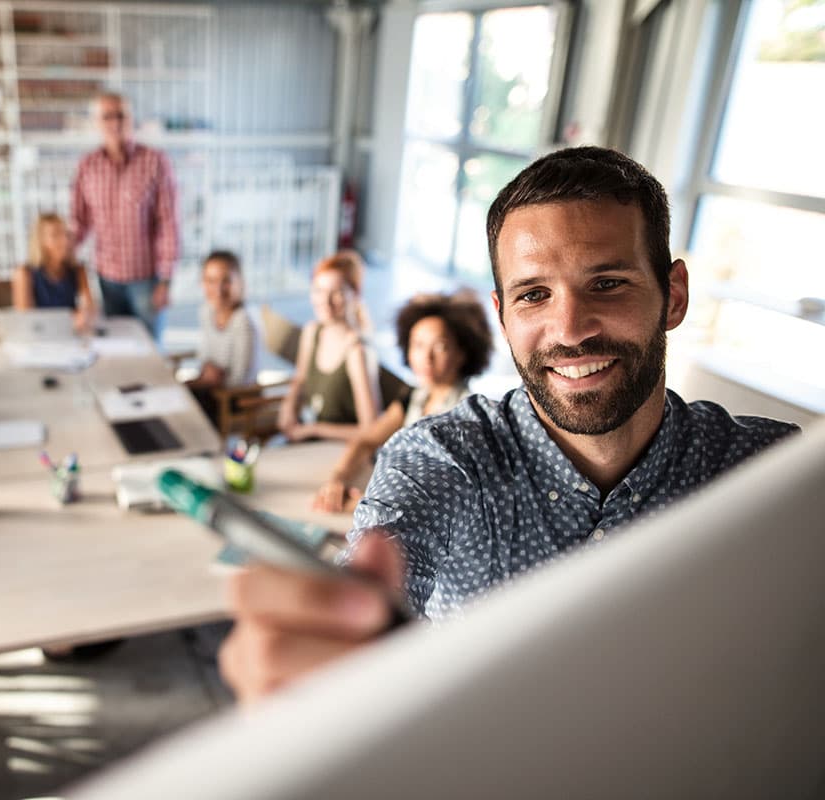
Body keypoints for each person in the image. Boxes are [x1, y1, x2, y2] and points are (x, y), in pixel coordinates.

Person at [220, 146, 800, 703]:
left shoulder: (775, 476)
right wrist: (337, 643)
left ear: (673, 296)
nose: (570, 329)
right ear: (502, 316)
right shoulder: (440, 459)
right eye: (534, 295)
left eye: (607, 283)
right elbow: (383, 566)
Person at [311, 292, 493, 513]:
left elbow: (446, 498)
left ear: (462, 354)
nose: (426, 358)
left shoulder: (468, 414)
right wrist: (337, 479)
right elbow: (366, 441)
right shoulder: (413, 396)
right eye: (418, 345)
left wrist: (364, 506)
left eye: (441, 347)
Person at [70, 92, 180, 342]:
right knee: (116, 348)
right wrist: (55, 258)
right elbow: (79, 222)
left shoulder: (155, 161)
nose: (115, 122)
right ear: (96, 122)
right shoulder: (87, 166)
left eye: (121, 115)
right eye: (107, 116)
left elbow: (168, 223)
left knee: (149, 351)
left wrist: (166, 280)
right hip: (107, 279)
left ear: (131, 120)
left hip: (147, 280)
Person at [277, 254, 380, 443]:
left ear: (355, 294)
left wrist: (314, 430)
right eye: (318, 291)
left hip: (342, 450)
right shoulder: (312, 331)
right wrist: (288, 406)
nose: (326, 301)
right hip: (308, 438)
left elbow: (371, 429)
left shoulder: (358, 351)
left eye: (337, 292)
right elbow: (300, 379)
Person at [185, 250, 259, 424]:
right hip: (210, 387)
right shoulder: (206, 310)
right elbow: (204, 355)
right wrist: (206, 371)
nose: (218, 289)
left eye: (226, 281)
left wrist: (211, 378)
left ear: (240, 283)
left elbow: (240, 378)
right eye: (211, 281)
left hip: (236, 397)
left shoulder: (244, 321)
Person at [11, 212, 97, 331]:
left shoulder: (77, 270)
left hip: (70, 335)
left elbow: (88, 307)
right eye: (55, 235)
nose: (65, 240)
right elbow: (26, 319)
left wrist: (85, 314)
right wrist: (71, 319)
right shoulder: (24, 273)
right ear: (40, 241)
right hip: (40, 338)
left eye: (66, 234)